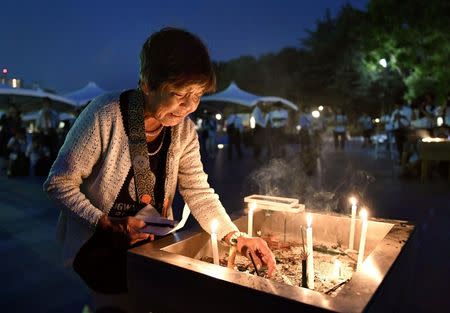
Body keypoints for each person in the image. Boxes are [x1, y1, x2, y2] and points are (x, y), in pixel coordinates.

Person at [44, 27, 275, 312]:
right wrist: (105, 223)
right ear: (147, 84)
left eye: (198, 95)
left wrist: (236, 237)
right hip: (99, 250)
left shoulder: (184, 131)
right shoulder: (104, 114)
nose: (189, 106)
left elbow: (198, 191)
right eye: (179, 93)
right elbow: (58, 183)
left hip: (151, 250)